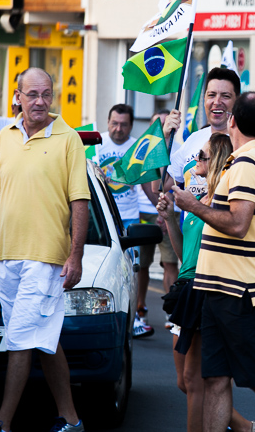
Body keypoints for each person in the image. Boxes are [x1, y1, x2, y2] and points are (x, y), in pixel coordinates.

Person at [173, 92, 255, 432]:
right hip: (219, 289)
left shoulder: (246, 164)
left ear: (233, 121)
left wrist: (193, 205)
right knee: (214, 378)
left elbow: (239, 224)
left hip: (241, 294)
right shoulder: (245, 158)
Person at [0, 67, 89, 432]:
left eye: (46, 94)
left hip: (46, 259)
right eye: (33, 94)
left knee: (21, 340)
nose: (40, 102)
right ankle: (71, 419)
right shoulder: (5, 136)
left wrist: (75, 255)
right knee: (43, 340)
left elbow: (79, 202)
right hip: (9, 258)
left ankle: (2, 422)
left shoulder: (69, 139)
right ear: (18, 97)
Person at [157, 132, 255, 432]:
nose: (196, 160)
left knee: (195, 380)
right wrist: (170, 218)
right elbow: (184, 255)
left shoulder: (220, 204)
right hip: (186, 289)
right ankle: (244, 427)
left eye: (202, 156)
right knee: (185, 381)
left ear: (216, 160)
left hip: (205, 290)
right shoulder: (200, 202)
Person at [161, 67, 255, 295]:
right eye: (211, 95)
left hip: (231, 271)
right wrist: (164, 138)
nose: (217, 102)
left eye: (225, 96)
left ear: (237, 102)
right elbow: (161, 186)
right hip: (193, 265)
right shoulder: (193, 141)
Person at [93, 104, 154, 338]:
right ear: (108, 122)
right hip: (102, 217)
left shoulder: (138, 148)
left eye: (124, 125)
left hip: (129, 218)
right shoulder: (96, 145)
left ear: (131, 125)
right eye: (114, 123)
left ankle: (135, 316)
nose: (118, 129)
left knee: (132, 268)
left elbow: (147, 185)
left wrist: (161, 211)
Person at [138, 109, 181, 330]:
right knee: (141, 265)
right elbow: (147, 182)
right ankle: (140, 309)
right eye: (159, 123)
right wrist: (158, 208)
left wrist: (166, 214)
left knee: (170, 262)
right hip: (144, 215)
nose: (164, 127)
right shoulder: (143, 148)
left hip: (171, 213)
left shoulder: (181, 148)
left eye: (167, 123)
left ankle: (171, 311)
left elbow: (178, 183)